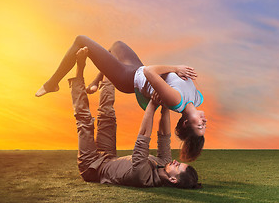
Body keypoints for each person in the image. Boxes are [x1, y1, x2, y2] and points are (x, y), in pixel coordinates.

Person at [36, 36, 207, 161]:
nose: (204, 121)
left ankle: (52, 84)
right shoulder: (197, 98)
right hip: (135, 68)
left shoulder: (176, 101)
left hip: (127, 78)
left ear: (186, 123)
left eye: (199, 125)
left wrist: (175, 68)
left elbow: (149, 72)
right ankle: (96, 81)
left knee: (81, 40)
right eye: (204, 125)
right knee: (116, 45)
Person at [69, 47, 201, 188]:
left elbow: (143, 136)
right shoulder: (164, 163)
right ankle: (106, 71)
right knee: (107, 114)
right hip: (108, 157)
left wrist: (152, 104)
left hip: (91, 168)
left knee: (85, 122)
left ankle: (79, 69)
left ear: (173, 180)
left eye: (178, 166)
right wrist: (165, 106)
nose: (175, 161)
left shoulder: (143, 177)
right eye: (179, 162)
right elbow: (164, 135)